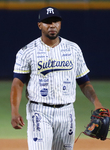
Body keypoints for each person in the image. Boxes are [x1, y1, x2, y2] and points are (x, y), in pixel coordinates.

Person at [10, 6, 104, 150]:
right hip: (39, 112)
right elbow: (18, 83)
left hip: (67, 113)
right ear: (39, 25)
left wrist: (97, 104)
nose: (52, 25)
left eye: (56, 21)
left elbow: (84, 82)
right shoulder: (27, 52)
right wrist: (14, 111)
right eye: (48, 22)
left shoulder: (73, 49)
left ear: (60, 24)